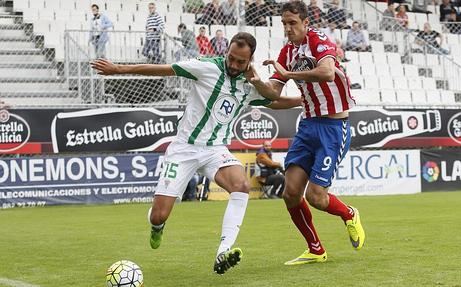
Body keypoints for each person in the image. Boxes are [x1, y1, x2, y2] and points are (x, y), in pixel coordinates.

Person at [91, 32, 302, 274]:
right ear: (227, 52)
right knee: (160, 215)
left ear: (249, 59)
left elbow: (273, 101)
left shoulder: (251, 84)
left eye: (240, 62)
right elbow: (164, 69)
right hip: (183, 149)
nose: (233, 65)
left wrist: (303, 100)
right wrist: (119, 69)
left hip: (214, 150)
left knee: (241, 185)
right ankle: (156, 226)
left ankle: (224, 251)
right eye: (230, 58)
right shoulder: (206, 67)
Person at [254, 1, 365, 266]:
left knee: (316, 197)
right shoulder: (286, 52)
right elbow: (273, 93)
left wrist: (288, 73)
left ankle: (349, 214)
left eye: (293, 23)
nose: (288, 28)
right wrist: (256, 83)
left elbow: (327, 73)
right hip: (307, 126)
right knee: (290, 193)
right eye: (284, 23)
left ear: (306, 22)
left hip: (333, 129)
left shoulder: (319, 40)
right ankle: (315, 249)